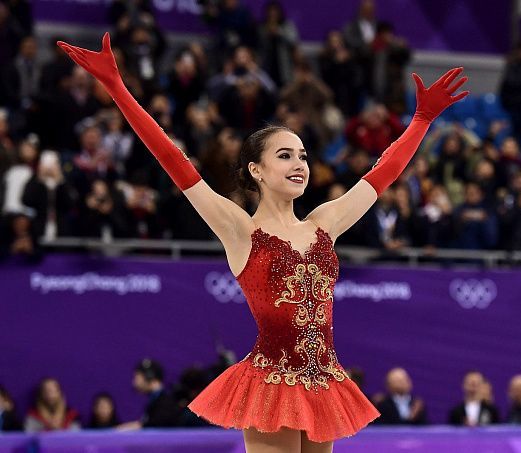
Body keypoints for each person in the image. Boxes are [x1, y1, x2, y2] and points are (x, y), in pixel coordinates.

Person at [57, 33, 468, 452]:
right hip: (272, 382)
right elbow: (172, 159)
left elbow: (383, 174)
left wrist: (421, 121)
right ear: (256, 169)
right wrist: (117, 87)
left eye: (304, 156)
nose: (299, 164)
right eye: (285, 155)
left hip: (323, 378)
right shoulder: (240, 230)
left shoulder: (324, 222)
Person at [118, 358, 182, 429]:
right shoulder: (154, 400)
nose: (134, 382)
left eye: (137, 377)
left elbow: (153, 428)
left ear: (149, 376)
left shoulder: (166, 404)